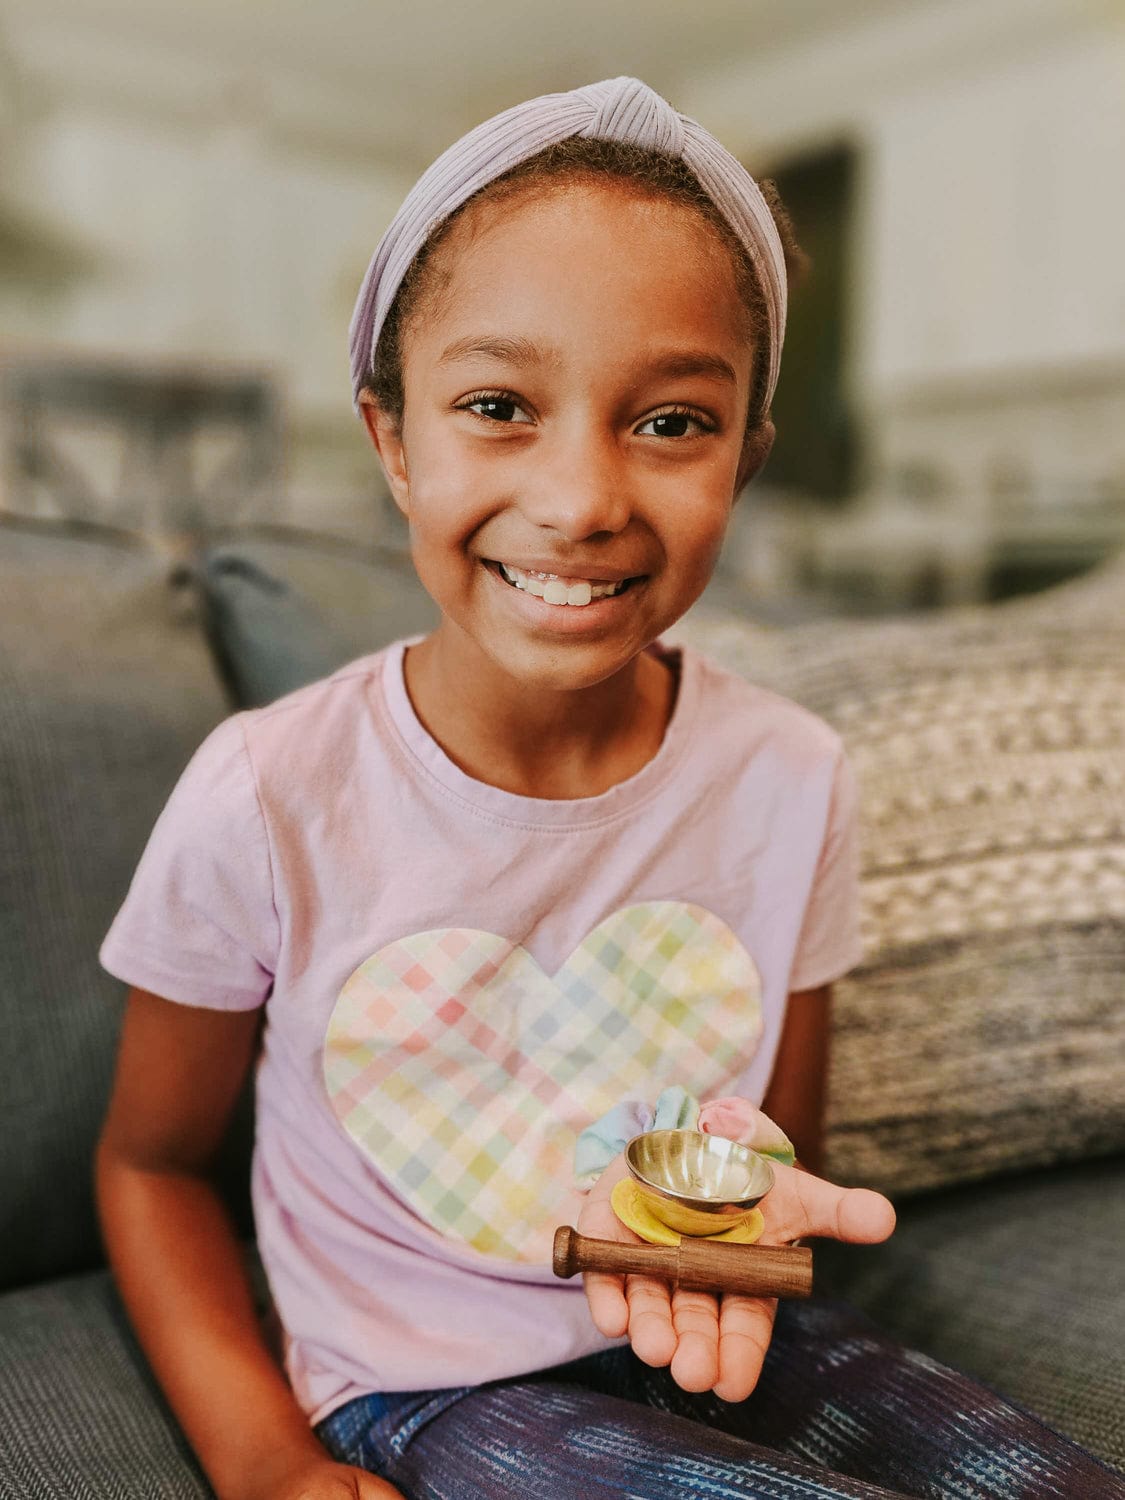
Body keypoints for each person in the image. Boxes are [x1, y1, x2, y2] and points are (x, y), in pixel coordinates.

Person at [95, 77, 1124, 1500]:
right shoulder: (267, 792)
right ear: (393, 440)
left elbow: (774, 1154)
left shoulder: (791, 774)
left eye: (671, 424)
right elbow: (148, 1170)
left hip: (722, 1326)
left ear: (745, 463)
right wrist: (264, 1458)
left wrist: (731, 1204)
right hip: (425, 1388)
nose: (580, 498)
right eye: (499, 405)